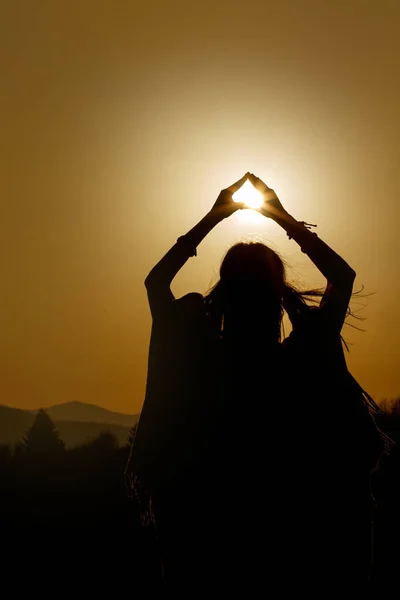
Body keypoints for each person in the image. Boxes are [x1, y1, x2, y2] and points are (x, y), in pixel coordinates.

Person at [126, 172, 389, 594]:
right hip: (296, 548)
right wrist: (285, 219)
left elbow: (156, 283)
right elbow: (343, 276)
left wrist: (213, 217)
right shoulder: (305, 355)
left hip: (211, 545)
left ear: (225, 293)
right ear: (277, 292)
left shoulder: (199, 361)